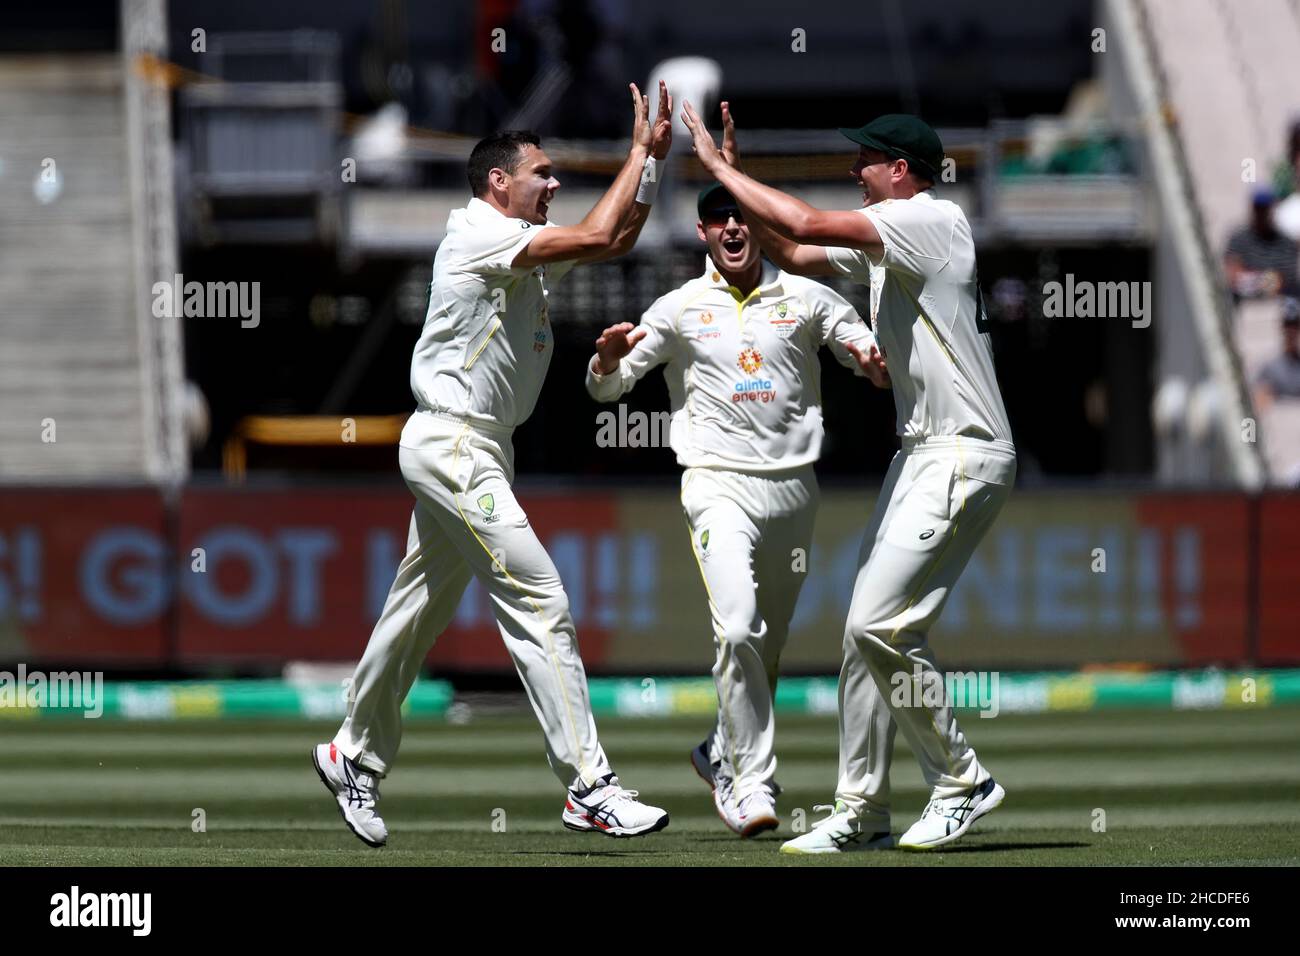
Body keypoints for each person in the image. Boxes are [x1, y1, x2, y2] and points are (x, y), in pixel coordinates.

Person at [313, 82, 675, 846]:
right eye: (541, 173)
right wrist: (638, 150)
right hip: (452, 443)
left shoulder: (522, 255)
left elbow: (620, 234)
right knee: (540, 599)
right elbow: (604, 238)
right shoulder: (480, 235)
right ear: (497, 183)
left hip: (478, 448)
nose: (554, 183)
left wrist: (650, 168)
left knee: (416, 610)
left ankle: (353, 753)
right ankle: (589, 786)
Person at [681, 102, 1016, 853]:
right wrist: (740, 196)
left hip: (963, 450)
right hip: (922, 452)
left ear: (902, 170)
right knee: (861, 634)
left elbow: (801, 224)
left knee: (878, 625)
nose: (855, 172)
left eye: (866, 161)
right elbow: (793, 254)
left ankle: (962, 779)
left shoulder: (931, 220)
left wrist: (719, 169)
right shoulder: (892, 240)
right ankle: (862, 808)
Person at [585, 155, 889, 837]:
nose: (730, 227)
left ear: (757, 225)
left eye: (741, 216)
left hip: (793, 492)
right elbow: (608, 387)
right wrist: (604, 362)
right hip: (716, 486)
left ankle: (720, 746)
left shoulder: (805, 297)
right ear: (702, 234)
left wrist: (871, 359)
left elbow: (857, 345)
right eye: (717, 219)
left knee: (766, 647)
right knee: (738, 624)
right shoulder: (680, 308)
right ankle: (749, 782)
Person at [1224, 188, 1299, 300]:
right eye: (1259, 209)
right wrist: (1267, 279)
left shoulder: (1285, 242)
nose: (1263, 214)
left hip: (1278, 302)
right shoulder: (1238, 239)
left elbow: (1286, 279)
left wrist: (1255, 279)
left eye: (1266, 209)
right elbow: (1234, 277)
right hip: (1245, 303)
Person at [1254, 298, 1300, 410]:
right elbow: (1259, 402)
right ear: (1281, 328)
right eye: (1287, 325)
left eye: (1295, 326)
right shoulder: (1270, 367)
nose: (1291, 331)